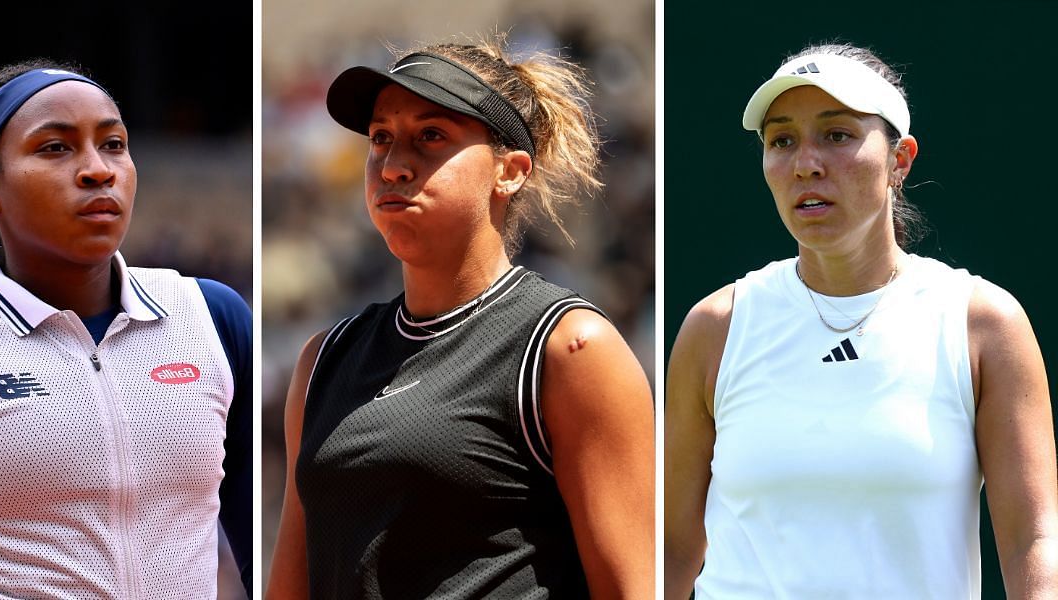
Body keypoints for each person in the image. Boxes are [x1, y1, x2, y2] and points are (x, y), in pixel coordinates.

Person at [265, 35, 654, 598]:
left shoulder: (569, 347)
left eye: (430, 135)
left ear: (509, 171)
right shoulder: (323, 359)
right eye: (381, 138)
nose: (394, 166)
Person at [665, 43, 1058, 598]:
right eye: (782, 140)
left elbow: (1033, 543)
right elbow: (671, 551)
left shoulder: (984, 324)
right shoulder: (714, 328)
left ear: (901, 160)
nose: (806, 163)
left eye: (837, 135)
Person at [0, 60, 253, 598]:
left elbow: (263, 559)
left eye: (113, 144)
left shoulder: (213, 317)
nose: (98, 169)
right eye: (55, 148)